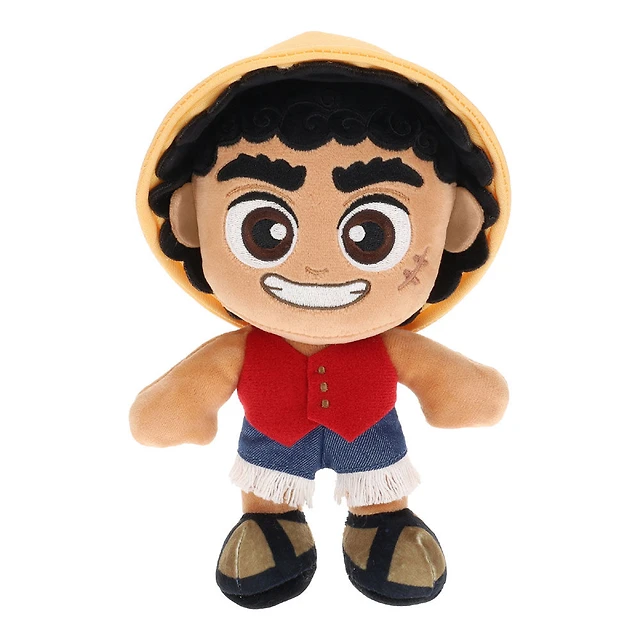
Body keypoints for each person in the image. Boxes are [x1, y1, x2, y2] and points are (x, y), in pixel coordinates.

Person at [131, 33, 510, 608]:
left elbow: (459, 389)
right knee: (268, 491)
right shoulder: (239, 350)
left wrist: (466, 395)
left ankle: (382, 525)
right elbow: (181, 397)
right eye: (264, 230)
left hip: (370, 442)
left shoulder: (391, 347)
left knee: (379, 488)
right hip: (274, 448)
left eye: (371, 234)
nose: (315, 267)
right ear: (192, 221)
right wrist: (175, 411)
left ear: (454, 225)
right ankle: (270, 524)